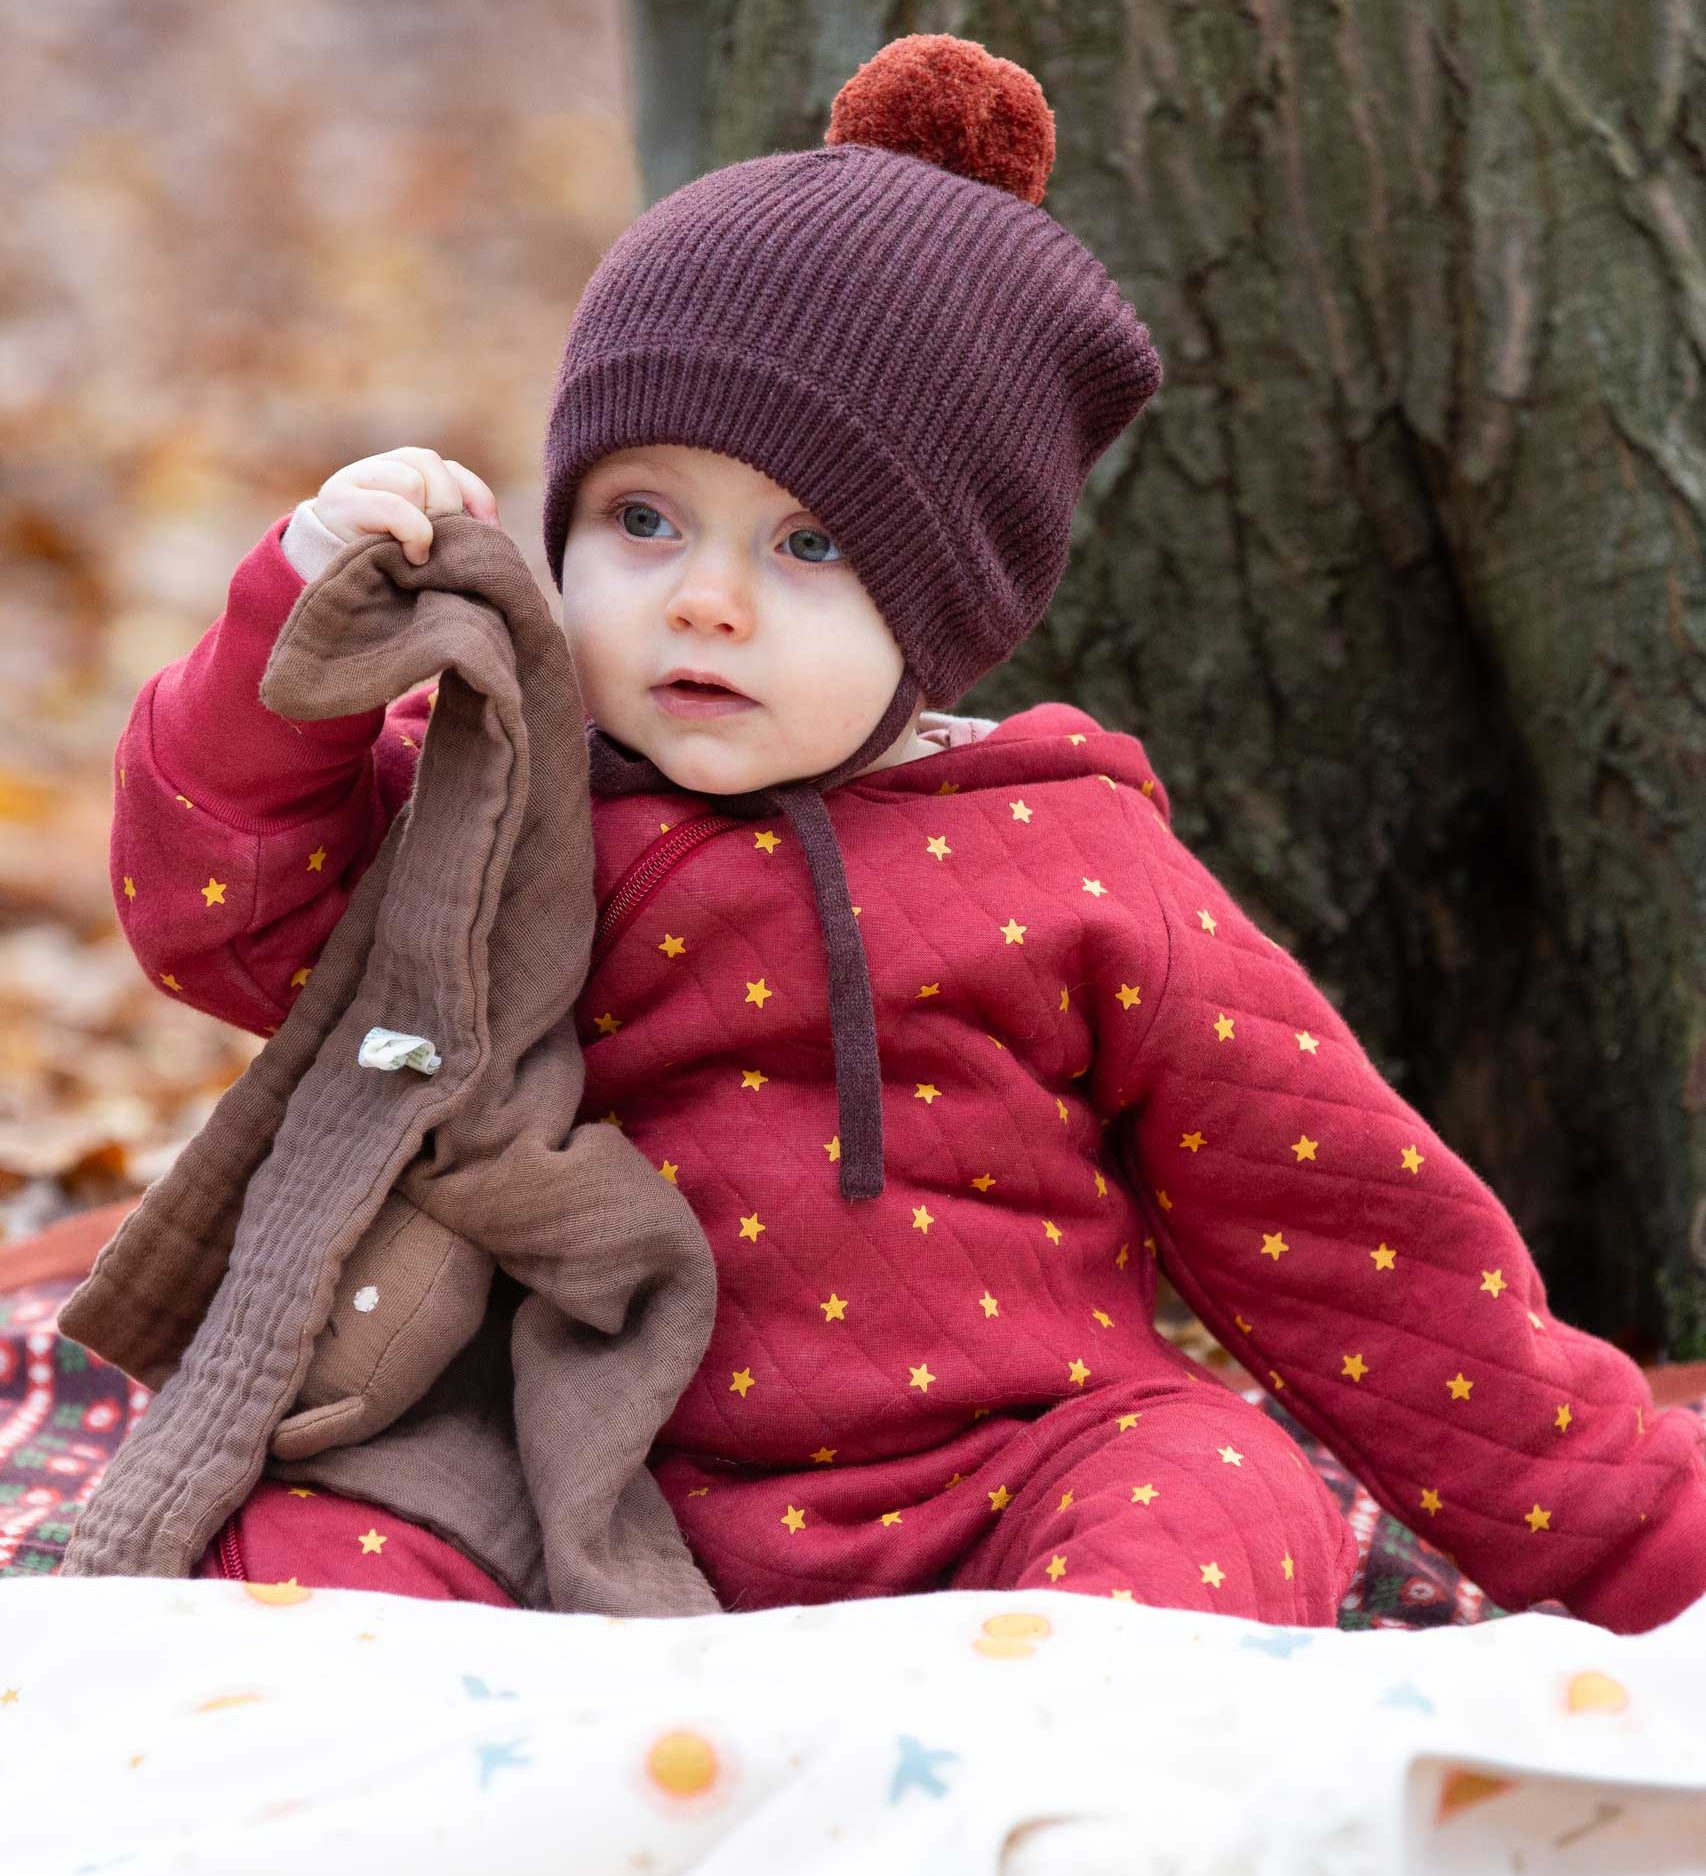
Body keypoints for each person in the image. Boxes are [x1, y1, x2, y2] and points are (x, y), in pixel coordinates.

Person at [105, 33, 1706, 1630]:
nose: (705, 600)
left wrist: (1642, 1540)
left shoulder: (1072, 864)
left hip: (1002, 1471)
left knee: (1215, 1488)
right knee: (313, 1551)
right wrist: (288, 645)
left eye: (809, 544)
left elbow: (1352, 1236)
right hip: (568, 1468)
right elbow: (217, 915)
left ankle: (1048, 1767)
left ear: (946, 604)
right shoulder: (499, 797)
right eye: (640, 518)